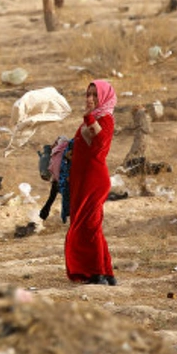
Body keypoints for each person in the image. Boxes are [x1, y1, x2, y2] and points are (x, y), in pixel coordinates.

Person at [65, 80, 117, 286]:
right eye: (88, 94)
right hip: (81, 179)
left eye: (95, 95)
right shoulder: (92, 119)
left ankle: (96, 273)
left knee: (88, 226)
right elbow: (84, 149)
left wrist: (88, 117)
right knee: (89, 225)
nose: (89, 99)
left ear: (103, 98)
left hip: (93, 180)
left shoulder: (105, 119)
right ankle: (106, 273)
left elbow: (100, 144)